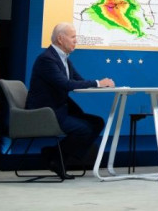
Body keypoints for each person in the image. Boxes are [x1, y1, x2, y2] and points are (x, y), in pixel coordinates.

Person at [26, 22, 115, 179]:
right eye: (73, 37)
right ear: (61, 39)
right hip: (45, 113)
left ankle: (57, 157)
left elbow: (78, 81)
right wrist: (97, 83)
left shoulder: (64, 59)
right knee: (83, 129)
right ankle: (57, 158)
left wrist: (100, 85)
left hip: (59, 108)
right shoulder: (47, 60)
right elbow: (66, 84)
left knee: (97, 123)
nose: (76, 41)